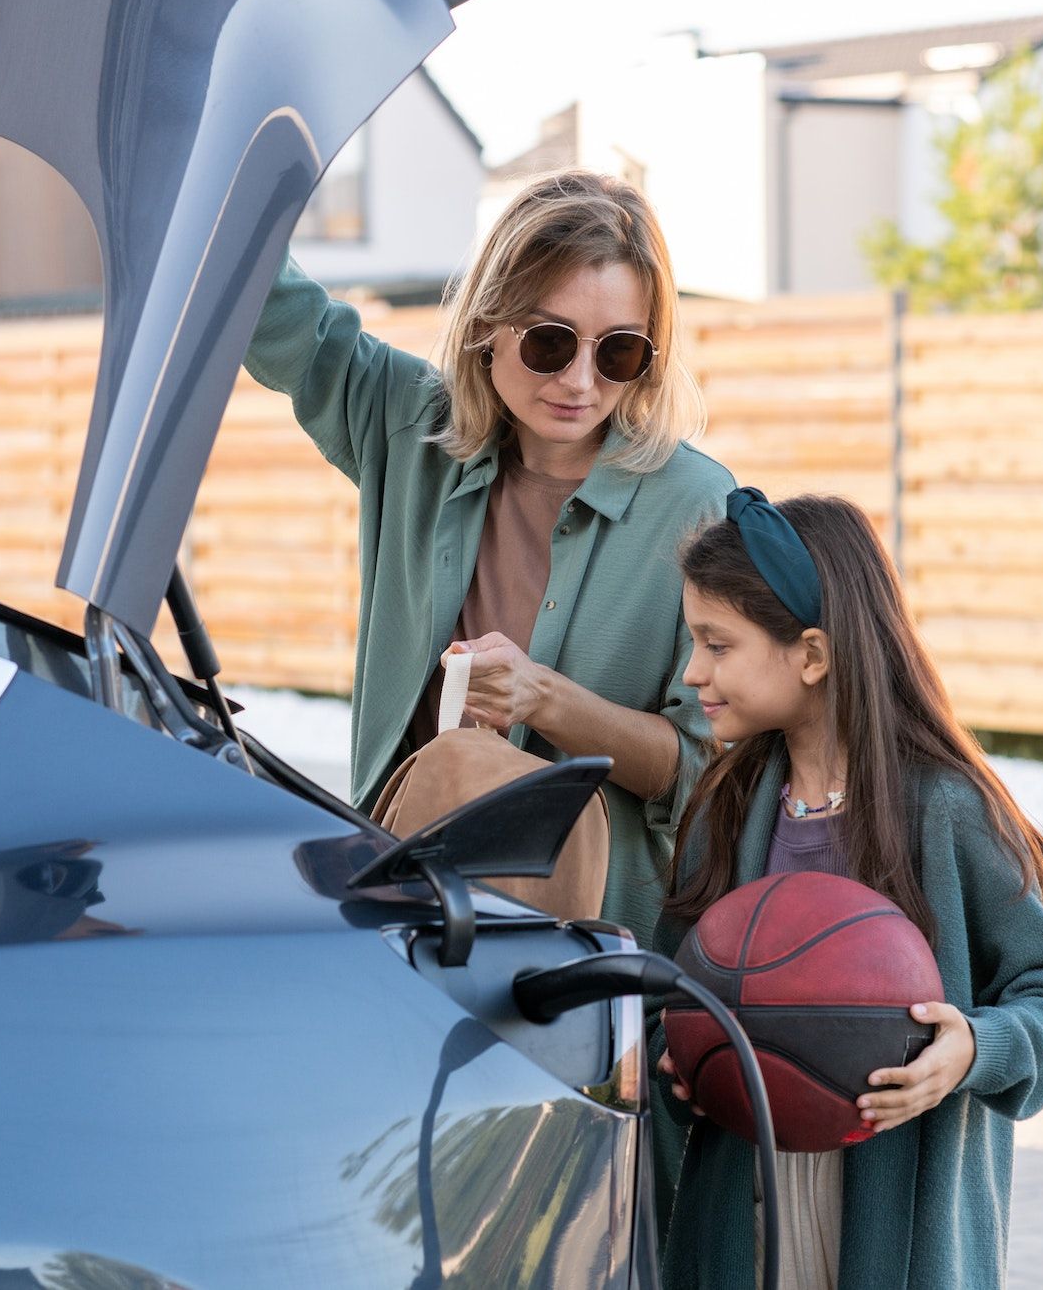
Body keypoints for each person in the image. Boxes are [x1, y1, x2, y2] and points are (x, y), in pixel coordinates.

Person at [243, 169, 733, 947]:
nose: (579, 381)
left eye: (620, 353)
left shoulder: (696, 508)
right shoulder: (410, 427)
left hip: (583, 941)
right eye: (549, 341)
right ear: (488, 324)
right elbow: (268, 308)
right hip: (399, 898)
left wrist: (548, 701)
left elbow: (707, 772)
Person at [652, 490, 1043, 1289]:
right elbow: (671, 992)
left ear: (813, 655)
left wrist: (973, 1047)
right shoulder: (726, 806)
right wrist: (681, 1055)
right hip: (744, 1206)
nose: (693, 672)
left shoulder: (943, 810)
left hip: (889, 1227)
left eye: (717, 644)